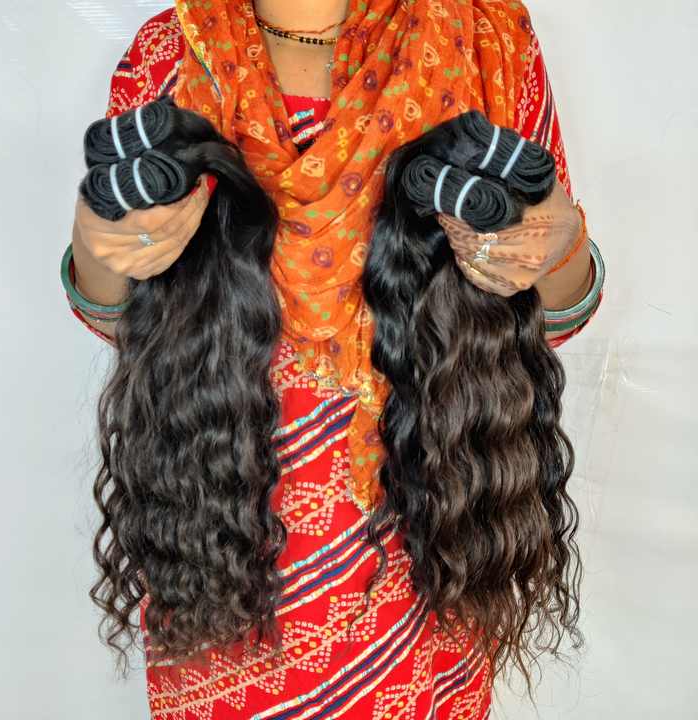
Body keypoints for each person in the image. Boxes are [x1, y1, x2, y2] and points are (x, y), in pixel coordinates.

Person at [63, 1, 604, 717]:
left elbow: (559, 311)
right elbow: (121, 316)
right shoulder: (174, 52)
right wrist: (100, 245)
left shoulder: (483, 40)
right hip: (221, 545)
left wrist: (556, 243)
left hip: (428, 541)